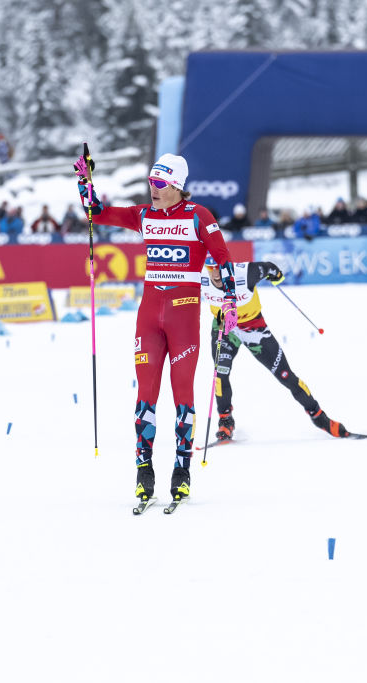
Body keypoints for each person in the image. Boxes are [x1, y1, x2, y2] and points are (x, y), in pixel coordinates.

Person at [75, 152, 238, 508]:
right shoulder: (144, 216)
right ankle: (143, 472)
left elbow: (223, 259)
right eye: (151, 182)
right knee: (145, 395)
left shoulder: (199, 217)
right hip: (148, 317)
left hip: (183, 318)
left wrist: (229, 302)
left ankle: (182, 471)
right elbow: (98, 212)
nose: (154, 189)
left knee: (183, 395)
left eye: (161, 183)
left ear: (178, 185)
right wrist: (86, 185)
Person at [200, 256, 353, 441]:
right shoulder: (198, 277)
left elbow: (269, 268)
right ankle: (225, 421)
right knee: (220, 373)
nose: (215, 274)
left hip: (254, 329)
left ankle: (319, 417)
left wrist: (277, 277)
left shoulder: (246, 272)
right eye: (210, 269)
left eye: (218, 268)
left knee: (285, 376)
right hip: (225, 329)